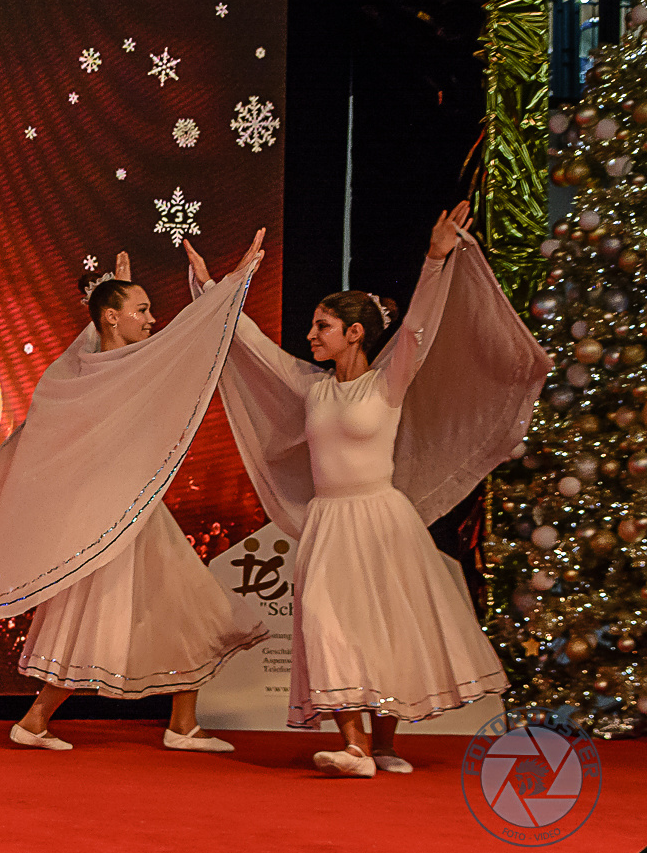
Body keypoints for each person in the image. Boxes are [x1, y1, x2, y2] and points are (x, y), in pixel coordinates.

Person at [186, 201, 550, 776]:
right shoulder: (312, 387)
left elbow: (419, 328)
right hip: (329, 521)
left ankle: (383, 744)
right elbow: (251, 344)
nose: (311, 335)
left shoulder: (387, 383)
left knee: (385, 626)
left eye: (323, 327)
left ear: (355, 333)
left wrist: (435, 259)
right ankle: (353, 746)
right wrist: (213, 291)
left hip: (381, 520)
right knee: (323, 621)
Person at [0, 236, 269, 753]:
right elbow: (187, 332)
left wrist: (218, 285)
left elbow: (182, 336)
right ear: (112, 318)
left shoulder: (120, 364)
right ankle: (35, 720)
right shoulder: (89, 370)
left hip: (138, 514)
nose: (153, 319)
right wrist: (233, 281)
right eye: (142, 310)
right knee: (94, 621)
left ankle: (181, 724)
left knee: (190, 605)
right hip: (109, 520)